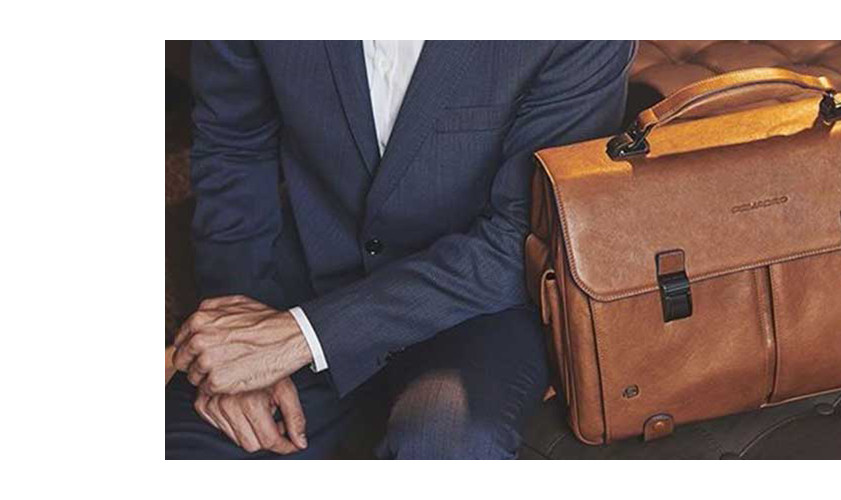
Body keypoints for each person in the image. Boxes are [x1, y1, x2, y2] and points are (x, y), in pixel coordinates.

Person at [166, 40, 633, 459]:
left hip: (477, 308)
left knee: (445, 448)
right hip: (304, 268)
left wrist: (304, 335)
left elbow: (524, 236)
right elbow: (234, 147)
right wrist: (235, 331)